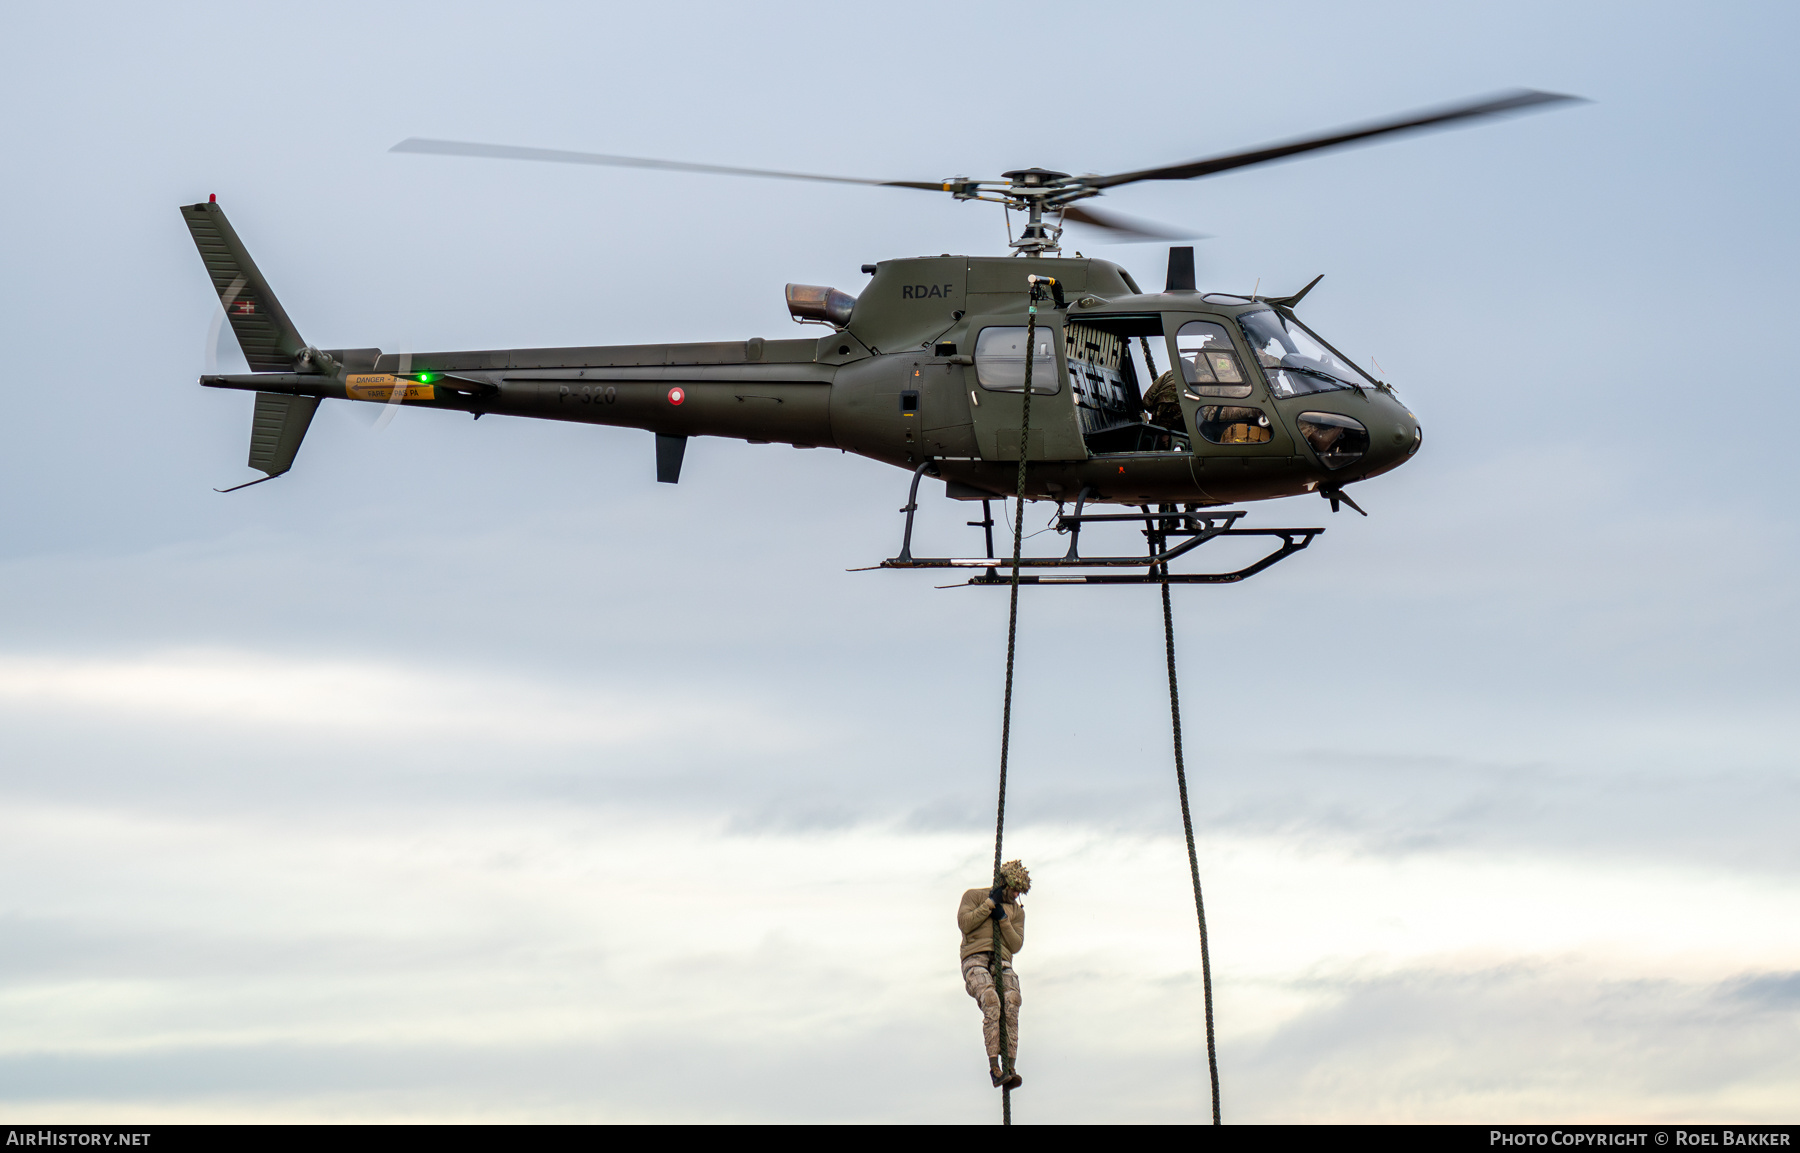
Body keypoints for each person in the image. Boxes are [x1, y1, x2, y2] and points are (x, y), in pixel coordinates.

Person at [958, 859, 1031, 1089]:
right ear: (1003, 883)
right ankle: (994, 1067)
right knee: (991, 1000)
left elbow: (1016, 943)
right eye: (1013, 889)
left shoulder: (1016, 912)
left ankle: (1010, 1064)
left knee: (1012, 1000)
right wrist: (989, 905)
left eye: (1019, 892)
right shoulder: (973, 897)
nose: (1015, 894)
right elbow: (965, 923)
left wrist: (1003, 918)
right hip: (975, 959)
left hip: (1002, 962)